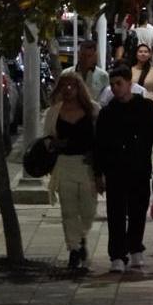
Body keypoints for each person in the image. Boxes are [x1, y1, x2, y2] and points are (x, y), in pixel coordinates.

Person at [94, 65, 153, 273]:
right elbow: (100, 145)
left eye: (118, 83)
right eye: (112, 85)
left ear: (129, 84)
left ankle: (135, 248)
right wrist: (98, 173)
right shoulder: (108, 113)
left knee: (138, 211)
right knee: (116, 214)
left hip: (139, 169)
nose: (115, 88)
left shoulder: (146, 109)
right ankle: (117, 254)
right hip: (115, 171)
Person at [44, 72, 100, 270]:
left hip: (86, 167)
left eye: (72, 86)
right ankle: (74, 250)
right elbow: (47, 139)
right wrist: (55, 144)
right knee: (68, 211)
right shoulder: (54, 112)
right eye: (64, 86)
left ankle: (81, 237)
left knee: (87, 210)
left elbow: (100, 138)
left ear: (79, 88)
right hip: (65, 165)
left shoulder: (92, 110)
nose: (68, 89)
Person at [130, 44, 153, 114]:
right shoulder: (130, 70)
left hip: (149, 106)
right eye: (140, 51)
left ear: (149, 55)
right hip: (132, 106)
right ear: (136, 54)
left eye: (146, 52)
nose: (143, 54)